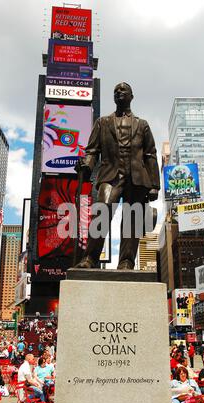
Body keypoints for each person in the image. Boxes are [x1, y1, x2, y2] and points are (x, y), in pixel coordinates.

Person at [75, 82, 160, 270]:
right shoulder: (103, 122)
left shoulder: (143, 125)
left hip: (137, 179)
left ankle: (126, 261)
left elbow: (150, 155)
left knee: (132, 220)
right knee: (101, 212)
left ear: (131, 96)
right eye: (116, 91)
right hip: (110, 176)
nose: (119, 92)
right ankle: (90, 258)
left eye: (123, 90)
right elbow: (92, 151)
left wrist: (154, 184)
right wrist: (86, 166)